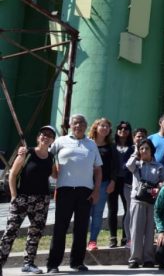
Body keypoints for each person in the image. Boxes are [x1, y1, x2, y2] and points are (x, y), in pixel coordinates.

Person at [46, 114, 103, 273]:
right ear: (71, 125)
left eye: (82, 123)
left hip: (85, 192)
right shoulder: (61, 141)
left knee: (81, 228)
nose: (78, 126)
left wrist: (97, 190)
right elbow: (47, 157)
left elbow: (98, 170)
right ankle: (53, 264)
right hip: (65, 190)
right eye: (75, 123)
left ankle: (77, 262)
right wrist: (53, 171)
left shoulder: (91, 144)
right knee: (60, 228)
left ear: (86, 126)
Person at [0, 125, 56, 275]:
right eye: (43, 134)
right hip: (22, 199)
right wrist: (13, 196)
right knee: (10, 232)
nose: (46, 137)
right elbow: (12, 174)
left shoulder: (51, 157)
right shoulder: (27, 153)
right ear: (38, 137)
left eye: (49, 135)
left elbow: (55, 174)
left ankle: (28, 264)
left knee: (35, 233)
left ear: (52, 141)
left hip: (42, 200)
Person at [127, 139, 164, 268]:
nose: (144, 151)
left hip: (152, 201)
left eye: (147, 148)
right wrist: (135, 152)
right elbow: (128, 165)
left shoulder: (159, 166)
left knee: (150, 231)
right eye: (141, 148)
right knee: (136, 230)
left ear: (152, 151)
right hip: (137, 200)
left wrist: (159, 187)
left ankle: (148, 259)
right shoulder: (136, 164)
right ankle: (134, 258)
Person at [86, 117, 118, 251]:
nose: (104, 128)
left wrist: (113, 181)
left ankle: (92, 241)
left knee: (97, 214)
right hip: (85, 183)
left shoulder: (111, 146)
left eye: (107, 126)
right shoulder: (87, 143)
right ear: (96, 127)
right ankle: (81, 239)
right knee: (84, 213)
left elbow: (115, 166)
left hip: (103, 184)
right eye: (102, 125)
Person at [110, 121, 134, 248]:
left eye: (126, 128)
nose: (122, 130)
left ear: (129, 132)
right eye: (120, 128)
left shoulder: (132, 148)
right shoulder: (112, 146)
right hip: (113, 181)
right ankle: (113, 237)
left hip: (127, 182)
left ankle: (125, 236)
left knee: (127, 209)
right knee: (112, 209)